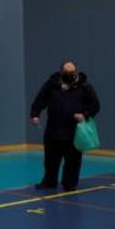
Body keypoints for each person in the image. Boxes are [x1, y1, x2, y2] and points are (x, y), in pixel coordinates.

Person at [30, 61, 100, 192]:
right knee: (51, 159)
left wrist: (85, 115)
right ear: (61, 72)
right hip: (53, 129)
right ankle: (49, 182)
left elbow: (95, 105)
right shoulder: (51, 85)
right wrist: (35, 114)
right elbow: (40, 99)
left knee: (73, 160)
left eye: (72, 72)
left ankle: (70, 184)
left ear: (76, 72)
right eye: (67, 73)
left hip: (74, 131)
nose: (70, 75)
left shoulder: (85, 86)